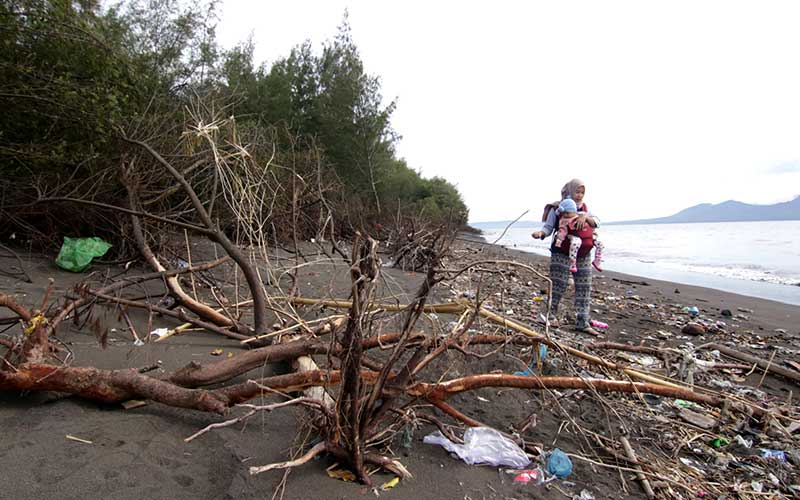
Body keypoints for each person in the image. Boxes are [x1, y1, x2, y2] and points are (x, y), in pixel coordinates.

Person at [531, 179, 601, 333]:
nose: (580, 195)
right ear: (569, 192)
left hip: (583, 252)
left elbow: (597, 222)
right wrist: (540, 234)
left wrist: (585, 218)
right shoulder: (557, 208)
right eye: (577, 191)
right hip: (562, 251)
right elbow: (548, 227)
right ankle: (550, 316)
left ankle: (582, 321)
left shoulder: (585, 209)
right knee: (558, 285)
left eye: (582, 192)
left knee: (584, 286)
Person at [554, 198, 604, 273]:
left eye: (568, 213)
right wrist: (559, 240)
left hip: (587, 236)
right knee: (576, 242)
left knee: (600, 244)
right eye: (564, 213)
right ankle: (573, 262)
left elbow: (595, 223)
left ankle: (597, 260)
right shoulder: (564, 220)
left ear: (574, 210)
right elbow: (562, 231)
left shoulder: (582, 214)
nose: (566, 215)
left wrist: (591, 228)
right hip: (573, 235)